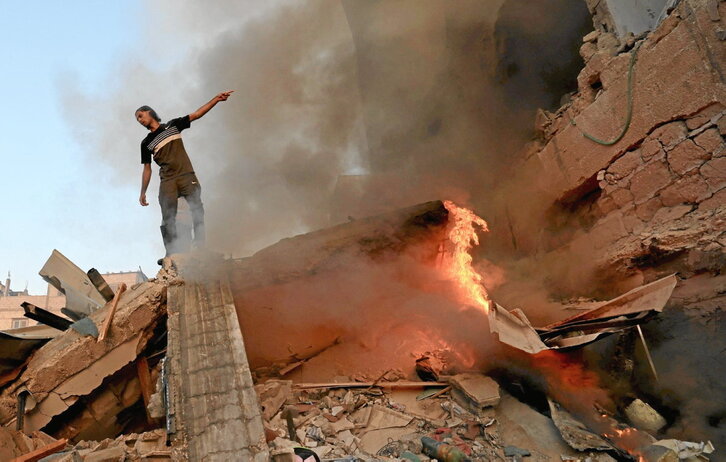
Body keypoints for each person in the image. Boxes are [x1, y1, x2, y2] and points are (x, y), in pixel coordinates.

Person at [136, 91, 234, 258]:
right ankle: (171, 253)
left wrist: (216, 99)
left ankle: (200, 247)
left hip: (186, 175)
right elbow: (147, 168)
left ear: (150, 112)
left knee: (197, 209)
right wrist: (142, 192)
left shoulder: (173, 126)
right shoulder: (146, 143)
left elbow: (196, 114)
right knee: (168, 216)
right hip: (168, 180)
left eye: (140, 115)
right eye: (137, 119)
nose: (139, 120)